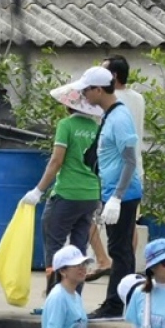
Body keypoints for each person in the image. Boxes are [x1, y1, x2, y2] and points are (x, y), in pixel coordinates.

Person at [23, 79, 103, 301]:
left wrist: (38, 190)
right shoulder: (97, 129)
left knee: (54, 246)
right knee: (79, 249)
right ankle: (74, 297)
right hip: (90, 195)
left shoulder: (66, 126)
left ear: (69, 105)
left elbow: (56, 160)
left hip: (67, 193)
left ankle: (54, 298)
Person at [83, 66, 144, 320]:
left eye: (87, 90)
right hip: (113, 192)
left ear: (99, 89)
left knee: (119, 251)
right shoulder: (110, 115)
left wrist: (117, 197)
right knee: (120, 249)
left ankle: (116, 304)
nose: (85, 95)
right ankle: (124, 301)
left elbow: (130, 160)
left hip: (124, 194)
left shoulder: (119, 118)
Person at [89, 54, 146, 274]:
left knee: (118, 239)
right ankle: (125, 269)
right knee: (129, 227)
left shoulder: (113, 104)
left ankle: (118, 269)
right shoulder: (138, 98)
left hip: (120, 172)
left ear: (111, 78)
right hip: (134, 169)